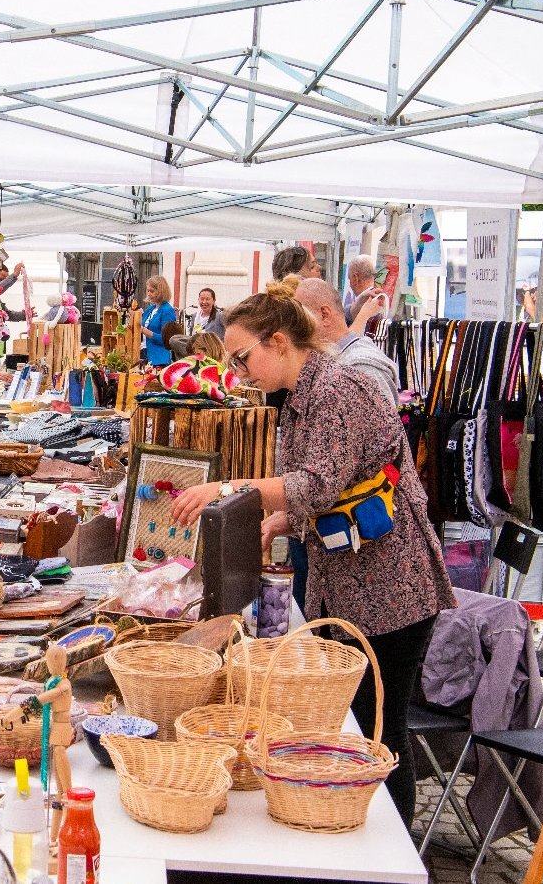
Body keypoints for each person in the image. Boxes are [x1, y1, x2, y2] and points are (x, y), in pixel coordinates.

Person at [170, 279, 454, 828]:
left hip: (390, 587)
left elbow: (318, 482)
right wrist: (279, 517)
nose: (237, 372)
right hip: (353, 581)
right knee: (368, 719)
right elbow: (329, 485)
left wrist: (230, 489)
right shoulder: (300, 397)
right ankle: (349, 825)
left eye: (242, 357)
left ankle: (390, 848)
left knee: (380, 727)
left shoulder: (335, 391)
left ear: (278, 342)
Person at [294, 278, 399, 406]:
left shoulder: (362, 368)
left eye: (300, 316)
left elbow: (385, 424)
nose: (296, 326)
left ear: (324, 315)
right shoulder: (334, 359)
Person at [140, 274, 177, 367]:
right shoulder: (150, 308)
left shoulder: (168, 310)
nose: (148, 294)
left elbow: (166, 339)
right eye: (148, 290)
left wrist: (144, 331)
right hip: (144, 353)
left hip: (159, 358)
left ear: (161, 291)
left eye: (152, 291)